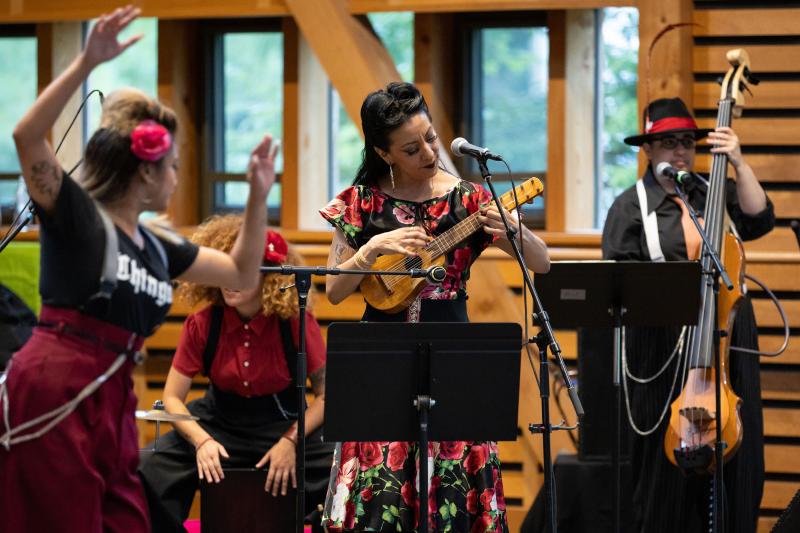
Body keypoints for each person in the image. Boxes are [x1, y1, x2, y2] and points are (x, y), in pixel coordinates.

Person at [0, 6, 277, 532]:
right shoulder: (77, 215)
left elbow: (243, 272)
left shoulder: (158, 246)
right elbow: (27, 137)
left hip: (111, 395)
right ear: (146, 172)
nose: (177, 176)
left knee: (128, 519)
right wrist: (87, 62)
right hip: (56, 384)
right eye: (172, 167)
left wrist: (258, 194)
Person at [318, 81, 550, 532]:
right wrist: (369, 251)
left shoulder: (467, 198)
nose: (427, 152)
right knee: (380, 490)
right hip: (382, 361)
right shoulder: (361, 202)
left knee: (455, 492)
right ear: (384, 154)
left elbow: (542, 263)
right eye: (410, 148)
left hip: (452, 359)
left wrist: (516, 232)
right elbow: (333, 290)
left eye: (430, 138)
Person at [601, 97, 774, 533]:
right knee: (665, 469)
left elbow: (760, 218)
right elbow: (620, 281)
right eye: (667, 142)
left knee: (740, 451)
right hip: (662, 345)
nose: (679, 151)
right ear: (648, 149)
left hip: (727, 337)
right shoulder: (628, 206)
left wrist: (737, 161)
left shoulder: (711, 191)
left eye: (686, 143)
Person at [138, 216, 334, 532]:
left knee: (344, 467)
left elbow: (327, 396)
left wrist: (290, 441)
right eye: (225, 269)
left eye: (241, 270)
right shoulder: (202, 323)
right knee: (145, 467)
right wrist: (201, 442)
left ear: (268, 276)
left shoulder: (295, 322)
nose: (230, 279)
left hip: (281, 421)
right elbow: (172, 398)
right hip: (217, 421)